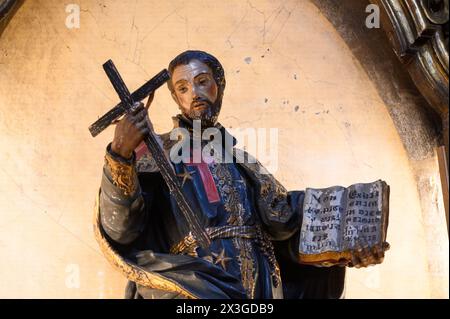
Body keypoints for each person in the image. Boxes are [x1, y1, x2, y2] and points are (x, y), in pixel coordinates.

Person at [94, 50, 387, 299]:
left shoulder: (241, 161)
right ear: (174, 97)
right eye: (182, 88)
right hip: (198, 287)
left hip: (259, 288)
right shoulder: (159, 155)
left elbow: (284, 223)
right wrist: (120, 153)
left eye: (202, 82)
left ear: (219, 86)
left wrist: (344, 246)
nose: (194, 94)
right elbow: (121, 227)